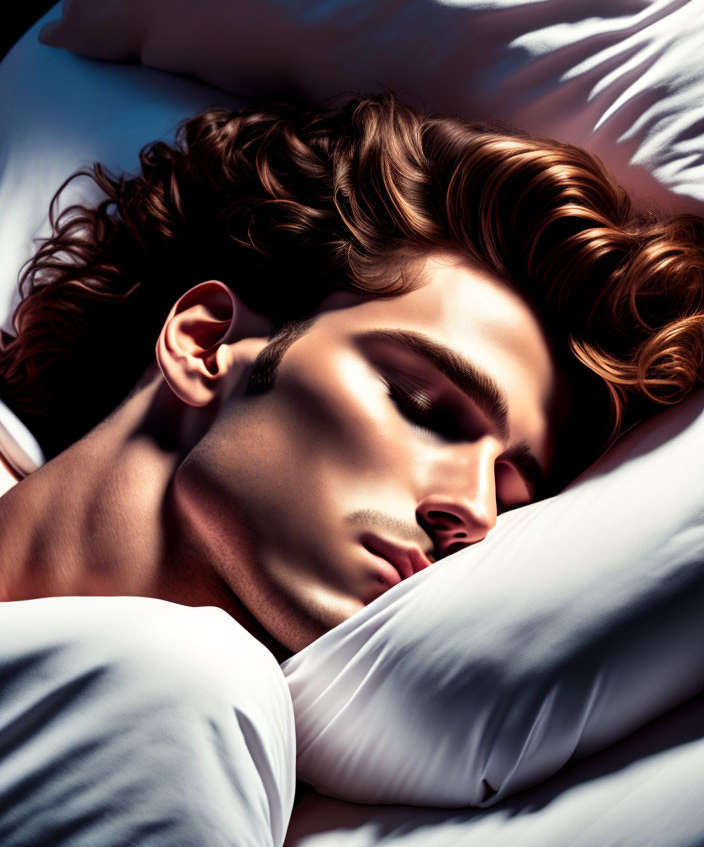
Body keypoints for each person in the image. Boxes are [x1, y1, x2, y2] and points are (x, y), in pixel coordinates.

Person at [0, 91, 702, 845]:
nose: (475, 513)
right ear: (204, 346)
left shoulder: (184, 701)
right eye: (421, 405)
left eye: (511, 493)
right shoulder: (172, 689)